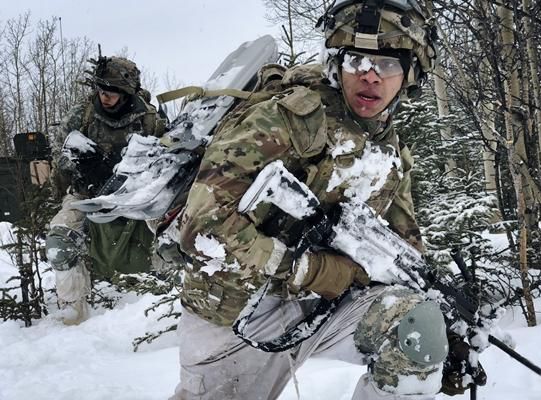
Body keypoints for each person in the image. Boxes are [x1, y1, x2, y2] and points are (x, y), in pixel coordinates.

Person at [169, 1, 479, 398]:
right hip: (235, 309)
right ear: (337, 64)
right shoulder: (283, 120)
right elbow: (202, 228)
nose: (369, 76)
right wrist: (310, 271)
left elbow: (404, 250)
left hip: (323, 309)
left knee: (416, 331)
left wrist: (439, 334)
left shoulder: (388, 149)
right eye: (356, 62)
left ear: (411, 74)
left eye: (387, 65)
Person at [47, 55, 165, 325]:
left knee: (171, 237)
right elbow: (59, 152)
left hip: (138, 194)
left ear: (125, 93)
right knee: (59, 241)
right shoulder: (83, 114)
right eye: (101, 91)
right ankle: (73, 316)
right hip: (86, 193)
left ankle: (164, 307)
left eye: (111, 93)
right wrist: (83, 168)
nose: (105, 97)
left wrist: (121, 167)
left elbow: (164, 160)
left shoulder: (148, 119)